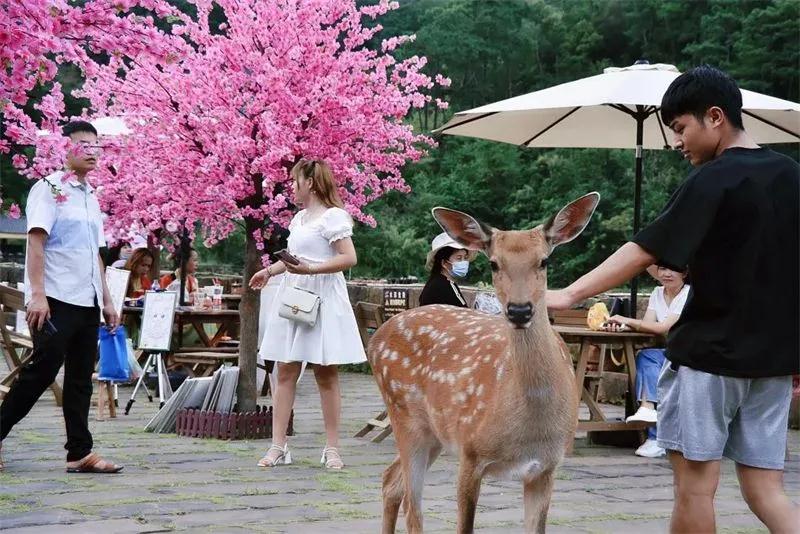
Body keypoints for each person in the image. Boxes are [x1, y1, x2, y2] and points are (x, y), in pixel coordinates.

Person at [547, 66, 799, 532]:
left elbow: (646, 247)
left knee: (695, 489)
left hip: (708, 359)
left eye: (681, 129)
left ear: (715, 116)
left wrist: (570, 293)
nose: (678, 143)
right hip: (773, 364)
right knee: (767, 490)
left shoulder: (713, 179)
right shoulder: (791, 175)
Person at [0, 121, 123, 473]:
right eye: (83, 144)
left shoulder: (91, 196)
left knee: (82, 377)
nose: (91, 151)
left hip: (88, 299)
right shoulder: (48, 189)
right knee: (42, 372)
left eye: (96, 145)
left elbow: (96, 254)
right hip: (54, 298)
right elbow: (36, 241)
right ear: (64, 148)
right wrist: (37, 295)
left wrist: (109, 301)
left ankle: (79, 453)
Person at [249, 159, 365, 470]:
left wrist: (312, 269)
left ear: (310, 183)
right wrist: (270, 271)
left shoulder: (333, 217)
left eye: (295, 180)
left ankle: (332, 447)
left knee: (325, 373)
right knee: (285, 370)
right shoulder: (299, 219)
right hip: (296, 297)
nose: (291, 186)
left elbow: (348, 257)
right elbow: (294, 260)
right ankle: (278, 445)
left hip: (323, 297)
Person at [604, 265, 690, 458]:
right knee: (646, 356)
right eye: (662, 269)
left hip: (690, 353)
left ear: (684, 273)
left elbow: (663, 327)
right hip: (668, 352)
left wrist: (626, 319)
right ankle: (649, 417)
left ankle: (654, 429)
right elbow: (647, 326)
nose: (666, 274)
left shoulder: (687, 293)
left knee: (651, 359)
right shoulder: (657, 293)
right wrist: (623, 327)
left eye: (673, 270)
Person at [419, 232, 475, 307]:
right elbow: (464, 313)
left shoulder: (434, 282)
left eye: (465, 258)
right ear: (444, 263)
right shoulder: (445, 285)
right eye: (459, 258)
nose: (464, 262)